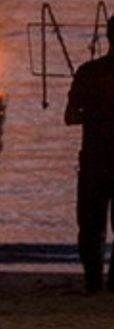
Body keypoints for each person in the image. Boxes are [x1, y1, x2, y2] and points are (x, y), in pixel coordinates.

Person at [64, 22, 114, 292]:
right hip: (98, 161)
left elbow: (70, 117)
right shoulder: (88, 73)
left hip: (94, 161)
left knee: (90, 227)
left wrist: (93, 115)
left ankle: (93, 282)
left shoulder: (87, 72)